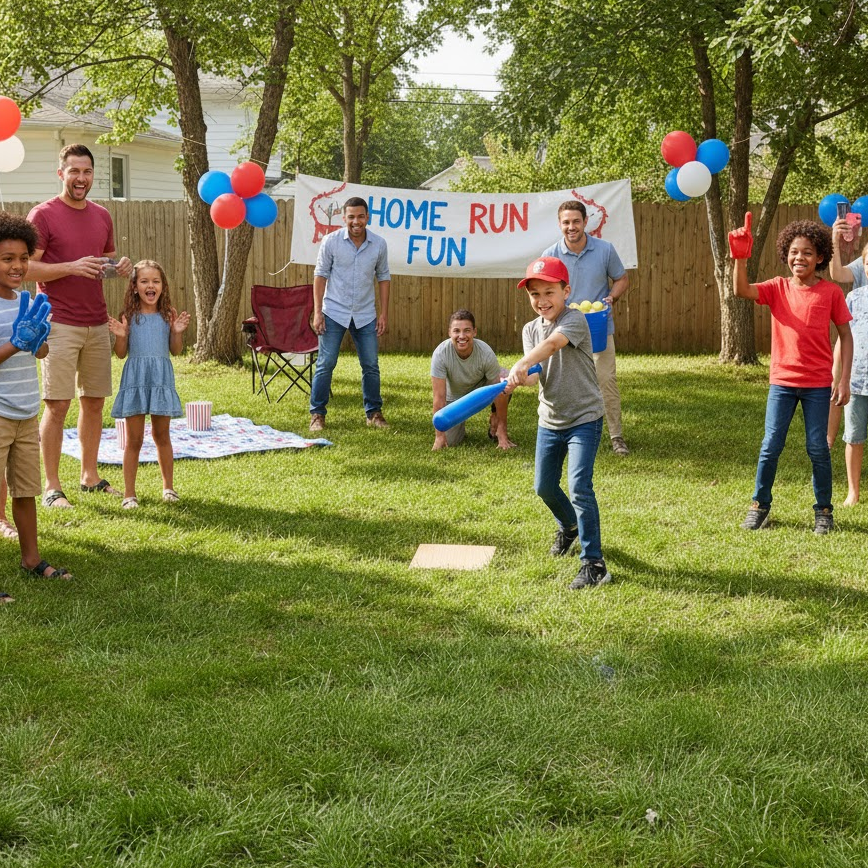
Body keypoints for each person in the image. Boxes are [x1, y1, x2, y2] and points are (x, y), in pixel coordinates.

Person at [26, 144, 133, 509]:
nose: (81, 179)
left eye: (87, 172)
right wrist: (70, 267)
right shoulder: (42, 215)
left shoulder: (102, 215)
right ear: (61, 174)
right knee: (57, 405)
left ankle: (89, 476)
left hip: (96, 320)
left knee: (94, 403)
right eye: (74, 172)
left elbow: (101, 260)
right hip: (59, 323)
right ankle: (52, 487)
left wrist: (117, 266)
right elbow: (25, 268)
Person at [731, 215, 853, 533]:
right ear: (786, 253)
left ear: (821, 257)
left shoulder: (830, 293)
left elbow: (846, 335)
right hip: (782, 383)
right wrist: (740, 259)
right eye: (795, 251)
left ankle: (824, 511)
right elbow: (741, 290)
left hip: (816, 385)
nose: (800, 257)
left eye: (808, 252)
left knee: (818, 447)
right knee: (771, 444)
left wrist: (843, 380)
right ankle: (759, 506)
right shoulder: (777, 287)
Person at [506, 257, 610, 590]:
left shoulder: (575, 319)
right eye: (534, 294)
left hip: (584, 418)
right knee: (544, 487)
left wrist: (523, 361)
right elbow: (536, 376)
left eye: (549, 291)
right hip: (550, 419)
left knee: (580, 487)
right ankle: (569, 526)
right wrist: (520, 377)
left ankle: (594, 564)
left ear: (566, 291)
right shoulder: (529, 329)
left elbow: (552, 345)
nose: (541, 300)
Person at [0, 211, 74, 600]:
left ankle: (31, 559)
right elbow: (10, 349)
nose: (17, 265)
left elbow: (39, 352)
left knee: (25, 491)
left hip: (27, 410)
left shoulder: (26, 299)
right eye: (7, 258)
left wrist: (39, 337)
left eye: (23, 258)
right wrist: (16, 341)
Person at [541, 200, 631, 456]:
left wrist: (612, 297)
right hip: (564, 330)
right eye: (566, 222)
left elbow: (622, 278)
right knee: (562, 384)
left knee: (605, 381)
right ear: (560, 224)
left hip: (599, 328)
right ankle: (565, 435)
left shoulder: (604, 250)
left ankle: (616, 437)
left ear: (585, 222)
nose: (571, 227)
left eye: (576, 221)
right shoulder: (551, 255)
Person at [108, 260, 189, 509]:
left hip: (160, 380)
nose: (150, 285)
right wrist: (121, 337)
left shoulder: (167, 316)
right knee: (134, 440)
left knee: (161, 436)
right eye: (144, 281)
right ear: (134, 287)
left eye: (156, 281)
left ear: (163, 286)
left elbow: (176, 351)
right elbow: (121, 354)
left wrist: (176, 332)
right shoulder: (129, 317)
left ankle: (168, 488)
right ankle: (129, 494)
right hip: (136, 380)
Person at [309, 196, 390, 432]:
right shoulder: (331, 242)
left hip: (366, 314)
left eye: (360, 216)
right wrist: (317, 312)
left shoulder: (379, 244)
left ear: (367, 217)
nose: (356, 221)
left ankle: (374, 413)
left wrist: (383, 314)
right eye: (351, 217)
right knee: (326, 363)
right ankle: (317, 415)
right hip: (334, 311)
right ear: (344, 218)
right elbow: (320, 275)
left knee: (371, 365)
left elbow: (384, 278)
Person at [431, 309, 516, 451]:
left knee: (504, 382)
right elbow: (439, 398)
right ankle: (458, 427)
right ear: (449, 332)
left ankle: (495, 419)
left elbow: (500, 392)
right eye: (456, 331)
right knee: (451, 442)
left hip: (481, 391)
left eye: (467, 330)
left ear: (474, 332)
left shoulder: (485, 352)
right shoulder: (440, 354)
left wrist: (503, 432)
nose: (462, 336)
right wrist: (439, 436)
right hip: (455, 398)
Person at [834, 249, 868, 505]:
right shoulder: (854, 298)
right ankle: (853, 492)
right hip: (857, 381)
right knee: (854, 438)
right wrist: (838, 377)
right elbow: (843, 339)